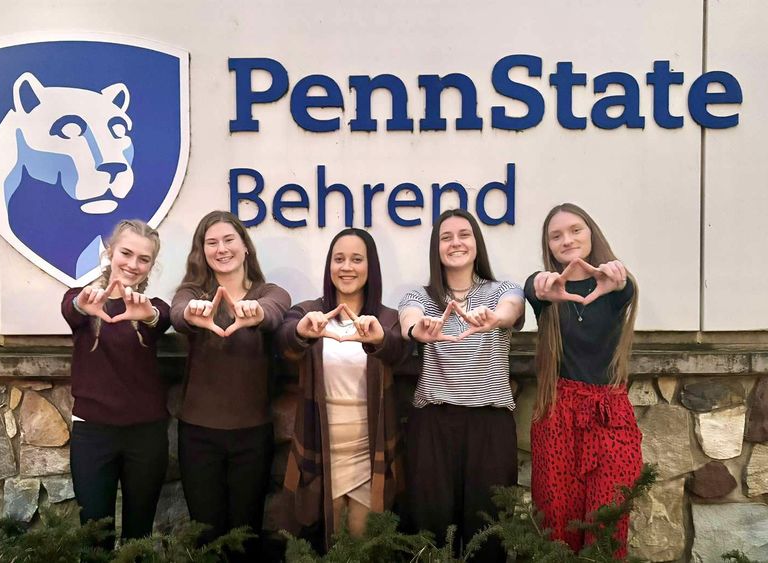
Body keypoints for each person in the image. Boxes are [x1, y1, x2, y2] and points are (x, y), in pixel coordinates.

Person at [398, 208, 525, 562]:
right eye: (446, 237)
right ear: (436, 248)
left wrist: (495, 318)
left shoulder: (503, 289)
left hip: (490, 423)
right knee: (430, 528)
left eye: (464, 234)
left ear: (477, 242)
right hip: (434, 424)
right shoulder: (419, 296)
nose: (456, 242)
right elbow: (409, 318)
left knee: (488, 529)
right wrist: (416, 329)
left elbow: (512, 308)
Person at [278, 228, 410, 550]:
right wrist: (302, 331)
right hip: (321, 448)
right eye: (339, 259)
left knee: (362, 544)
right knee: (328, 542)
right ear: (329, 266)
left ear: (371, 267)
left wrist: (378, 339)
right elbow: (285, 339)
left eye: (356, 259)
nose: (346, 267)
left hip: (370, 449)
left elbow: (399, 350)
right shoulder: (310, 311)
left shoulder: (388, 319)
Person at [169, 210, 290, 554]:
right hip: (198, 434)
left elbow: (276, 309)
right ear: (202, 251)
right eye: (212, 242)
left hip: (252, 434)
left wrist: (254, 312)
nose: (221, 249)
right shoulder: (194, 292)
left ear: (245, 247)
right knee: (206, 536)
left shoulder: (269, 292)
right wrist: (193, 313)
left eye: (228, 240)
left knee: (245, 535)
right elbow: (179, 312)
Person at [525, 203, 641, 557]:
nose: (568, 240)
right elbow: (535, 289)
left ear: (591, 233)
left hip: (610, 415)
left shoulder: (615, 284)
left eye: (576, 230)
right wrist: (542, 286)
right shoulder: (546, 291)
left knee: (608, 521)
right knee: (557, 521)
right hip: (558, 413)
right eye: (556, 235)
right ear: (549, 246)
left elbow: (624, 286)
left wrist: (614, 278)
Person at [61, 219, 171, 549]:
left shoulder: (153, 308)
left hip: (146, 436)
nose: (133, 264)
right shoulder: (80, 298)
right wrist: (84, 304)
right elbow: (72, 308)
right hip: (93, 434)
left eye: (144, 259)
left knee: (139, 538)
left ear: (151, 264)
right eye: (126, 253)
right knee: (94, 536)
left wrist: (147, 313)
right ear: (110, 252)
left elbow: (160, 318)